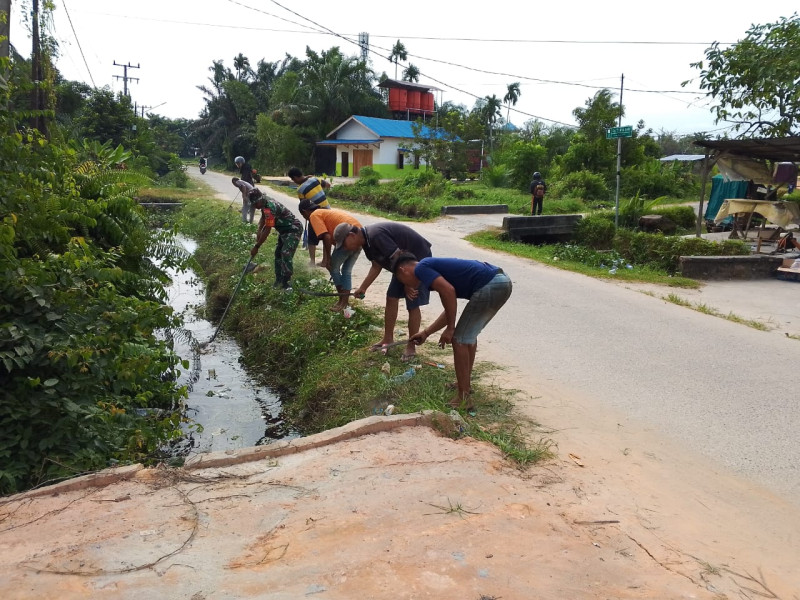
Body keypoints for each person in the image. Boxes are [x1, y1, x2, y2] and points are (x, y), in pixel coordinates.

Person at [392, 254, 512, 409]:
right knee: (468, 337)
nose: (409, 286)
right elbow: (449, 308)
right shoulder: (431, 270)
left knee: (459, 340)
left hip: (491, 284)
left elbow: (449, 291)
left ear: (403, 271)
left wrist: (450, 328)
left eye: (403, 282)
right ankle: (464, 384)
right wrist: (426, 333)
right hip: (500, 281)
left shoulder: (422, 267)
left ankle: (464, 398)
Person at [335, 222, 432, 362]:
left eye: (344, 244)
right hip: (402, 265)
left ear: (351, 235)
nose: (345, 248)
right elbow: (377, 265)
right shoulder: (367, 243)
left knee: (412, 302)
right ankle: (387, 338)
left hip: (418, 262)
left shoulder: (375, 235)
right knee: (391, 297)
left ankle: (411, 346)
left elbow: (399, 256)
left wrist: (407, 283)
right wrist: (363, 287)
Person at [298, 200, 362, 312]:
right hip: (360, 237)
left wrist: (327, 259)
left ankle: (342, 300)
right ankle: (344, 302)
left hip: (349, 238)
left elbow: (326, 237)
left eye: (303, 215)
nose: (305, 218)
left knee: (333, 268)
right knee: (346, 271)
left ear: (305, 212)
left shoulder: (314, 215)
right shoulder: (323, 212)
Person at [248, 188, 302, 291]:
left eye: (255, 203)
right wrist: (259, 230)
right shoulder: (265, 204)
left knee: (285, 253)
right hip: (283, 231)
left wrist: (257, 246)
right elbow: (263, 220)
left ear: (260, 200)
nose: (255, 206)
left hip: (293, 229)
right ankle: (279, 280)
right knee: (278, 254)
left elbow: (267, 229)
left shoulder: (270, 207)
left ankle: (287, 282)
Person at [288, 167, 332, 266]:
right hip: (327, 211)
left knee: (312, 238)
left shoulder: (300, 189)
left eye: (293, 179)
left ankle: (312, 261)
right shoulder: (315, 179)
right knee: (326, 236)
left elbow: (304, 205)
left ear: (295, 177)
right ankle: (325, 261)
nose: (294, 181)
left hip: (315, 215)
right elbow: (328, 185)